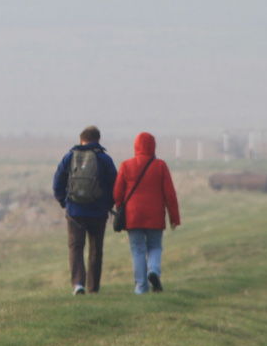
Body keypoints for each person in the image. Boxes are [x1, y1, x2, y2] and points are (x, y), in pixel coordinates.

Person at [52, 125, 117, 295]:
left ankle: (78, 284)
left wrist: (65, 202)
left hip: (75, 212)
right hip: (98, 212)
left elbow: (57, 183)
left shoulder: (69, 157)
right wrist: (108, 204)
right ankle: (93, 288)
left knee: (76, 247)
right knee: (96, 249)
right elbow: (115, 186)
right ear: (98, 140)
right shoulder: (105, 159)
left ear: (81, 140)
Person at [113, 131, 180, 294]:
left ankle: (141, 286)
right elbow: (170, 194)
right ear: (153, 146)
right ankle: (154, 271)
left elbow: (117, 192)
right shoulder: (160, 166)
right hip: (155, 216)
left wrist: (120, 207)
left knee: (138, 250)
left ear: (136, 146)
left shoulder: (126, 165)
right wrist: (174, 217)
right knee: (155, 246)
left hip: (133, 216)